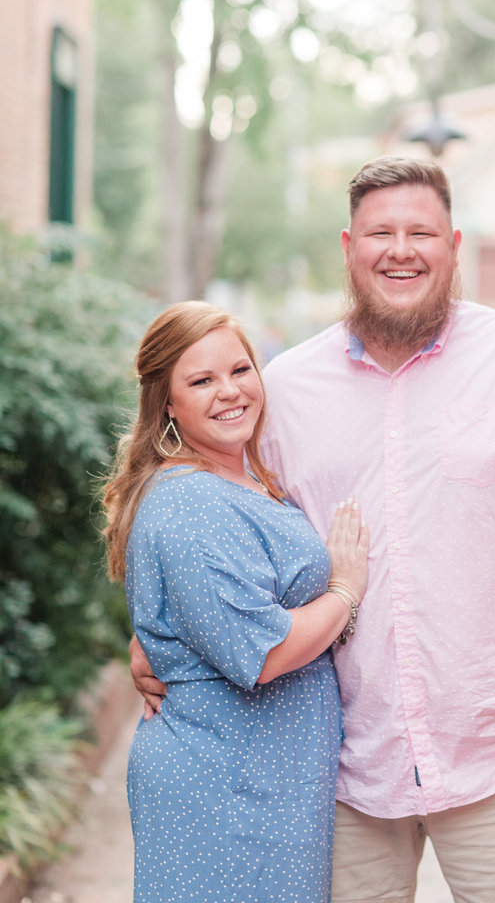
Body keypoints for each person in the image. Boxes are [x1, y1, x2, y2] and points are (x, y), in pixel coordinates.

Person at [133, 158, 495, 903]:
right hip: (344, 770)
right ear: (348, 247)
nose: (400, 249)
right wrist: (161, 636)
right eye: (381, 232)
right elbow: (225, 527)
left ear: (454, 245)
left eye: (422, 231)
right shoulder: (285, 391)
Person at [105, 301, 369, 903]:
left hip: (263, 783)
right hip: (225, 787)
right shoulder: (189, 503)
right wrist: (347, 589)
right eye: (201, 381)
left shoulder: (240, 474)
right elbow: (263, 652)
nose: (230, 392)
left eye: (240, 370)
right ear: (166, 404)